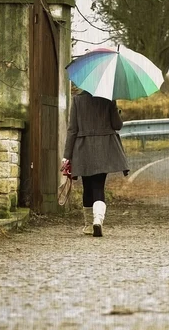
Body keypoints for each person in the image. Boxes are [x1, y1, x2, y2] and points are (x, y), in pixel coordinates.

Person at [62, 87, 129, 237]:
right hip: (104, 148)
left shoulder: (78, 100)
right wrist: (115, 109)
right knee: (99, 185)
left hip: (83, 148)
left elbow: (72, 129)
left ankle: (88, 225)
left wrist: (67, 155)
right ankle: (98, 220)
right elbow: (117, 125)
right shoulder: (108, 98)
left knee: (87, 187)